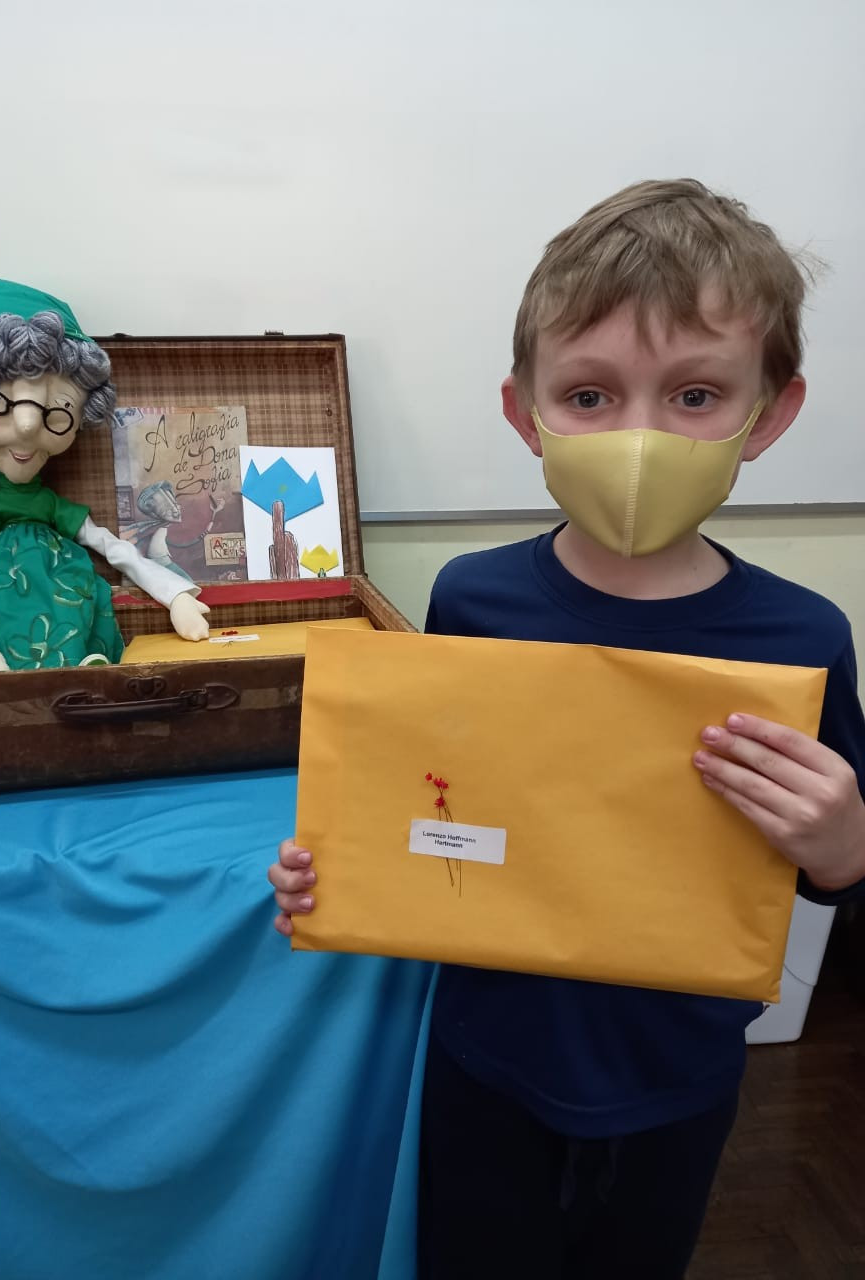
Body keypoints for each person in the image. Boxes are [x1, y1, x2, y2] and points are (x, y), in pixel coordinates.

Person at [268, 179, 865, 1278]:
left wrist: (842, 842)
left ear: (770, 414)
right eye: (589, 396)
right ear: (525, 411)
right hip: (489, 1051)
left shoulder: (804, 635)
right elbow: (445, 802)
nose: (639, 438)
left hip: (677, 1072)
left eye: (695, 395)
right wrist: (338, 866)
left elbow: (837, 869)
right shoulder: (473, 598)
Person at [0, 264, 210, 670]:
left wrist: (176, 596)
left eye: (57, 410)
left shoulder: (52, 508)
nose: (27, 426)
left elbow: (116, 550)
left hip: (72, 608)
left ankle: (80, 663)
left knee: (81, 601)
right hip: (5, 640)